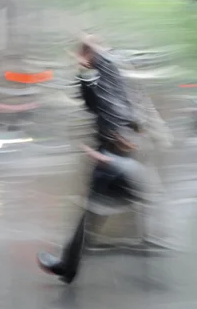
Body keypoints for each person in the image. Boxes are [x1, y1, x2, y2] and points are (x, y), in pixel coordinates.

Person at [36, 35, 167, 284]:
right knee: (105, 206)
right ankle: (145, 252)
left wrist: (115, 136)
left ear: (89, 51)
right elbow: (91, 105)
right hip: (115, 146)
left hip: (113, 148)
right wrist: (83, 73)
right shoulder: (98, 68)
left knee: (95, 209)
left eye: (82, 54)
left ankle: (69, 265)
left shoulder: (106, 65)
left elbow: (111, 105)